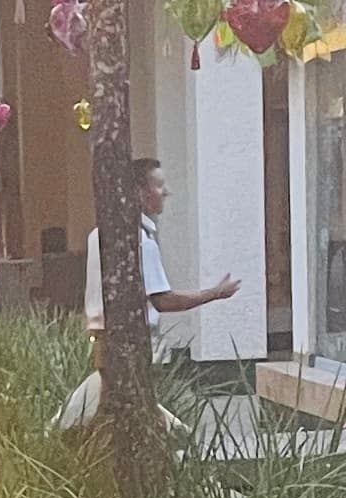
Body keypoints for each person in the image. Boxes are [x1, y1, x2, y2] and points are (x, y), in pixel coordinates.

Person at [57, 153, 240, 428]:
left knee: (94, 417)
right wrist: (215, 293)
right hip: (130, 351)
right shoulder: (138, 241)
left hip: (104, 347)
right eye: (158, 185)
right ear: (139, 192)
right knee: (146, 426)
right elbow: (163, 300)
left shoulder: (100, 235)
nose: (166, 192)